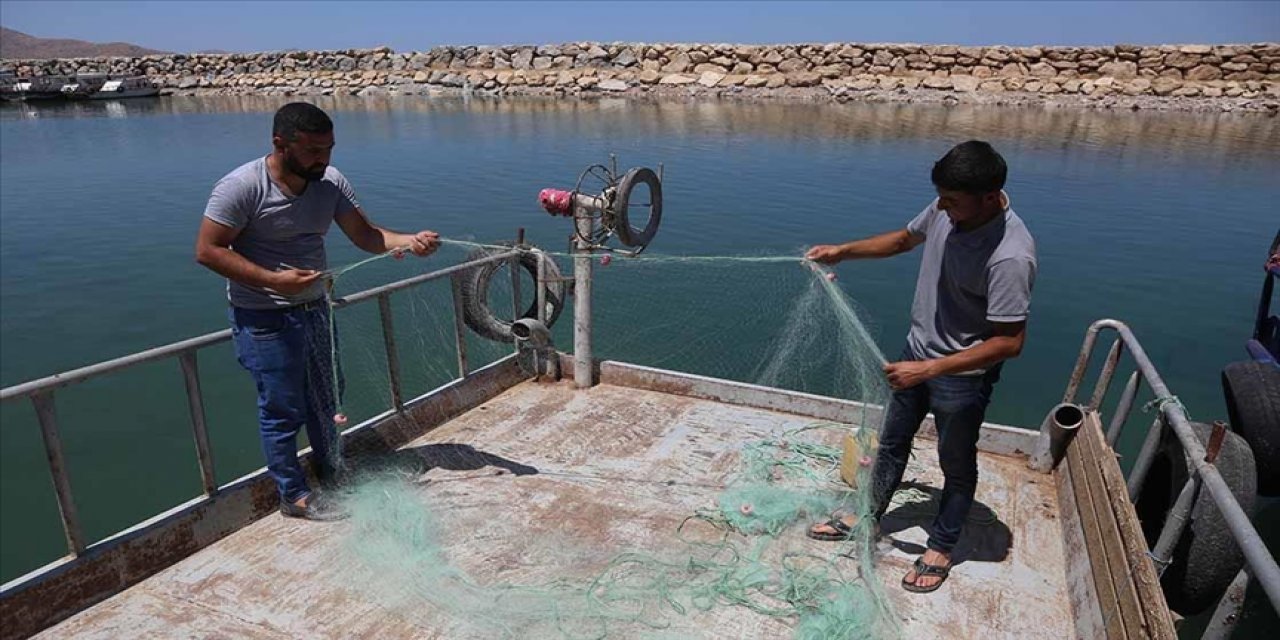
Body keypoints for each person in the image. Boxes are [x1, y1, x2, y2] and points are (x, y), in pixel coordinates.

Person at [803, 140, 1036, 594]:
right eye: (941, 199)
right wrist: (843, 251)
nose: (943, 209)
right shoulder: (950, 207)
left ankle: (942, 546)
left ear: (990, 197)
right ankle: (867, 515)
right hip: (917, 355)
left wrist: (928, 371)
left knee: (956, 461)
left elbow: (1010, 342)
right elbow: (904, 239)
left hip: (958, 378)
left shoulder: (1010, 255)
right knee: (891, 443)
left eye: (952, 201)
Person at [195, 102, 439, 520]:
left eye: (329, 150)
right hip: (264, 318)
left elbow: (366, 235)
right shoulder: (241, 187)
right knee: (281, 408)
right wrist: (273, 280)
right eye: (312, 151)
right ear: (280, 144)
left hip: (316, 311)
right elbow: (207, 250)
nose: (323, 160)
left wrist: (408, 242)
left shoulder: (330, 181)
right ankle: (294, 495)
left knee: (327, 398)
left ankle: (332, 471)